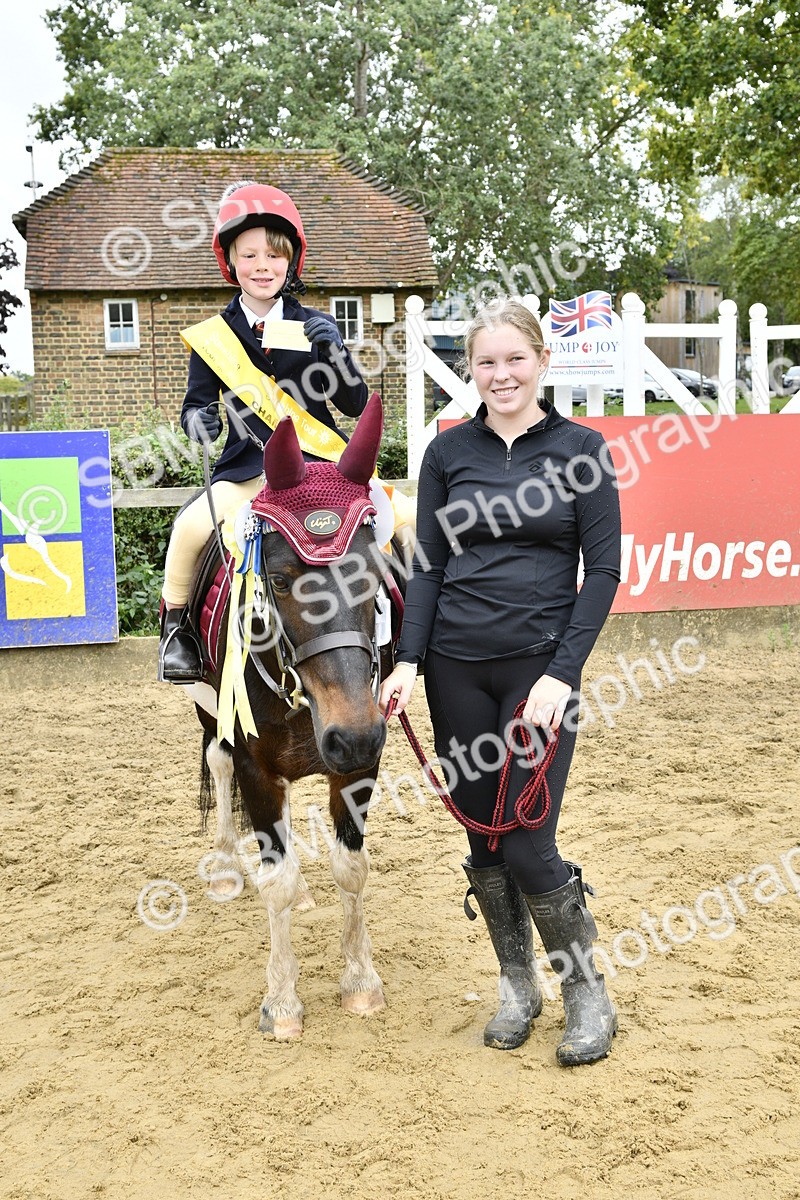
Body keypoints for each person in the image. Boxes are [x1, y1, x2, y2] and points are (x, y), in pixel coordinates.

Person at [379, 298, 622, 1066]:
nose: (501, 374)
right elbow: (429, 566)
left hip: (537, 673)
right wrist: (409, 663)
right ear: (471, 371)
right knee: (483, 838)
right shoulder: (448, 453)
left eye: (514, 359)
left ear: (542, 361)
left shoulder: (584, 448)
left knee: (528, 842)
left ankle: (586, 990)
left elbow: (604, 570)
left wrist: (561, 672)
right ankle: (518, 984)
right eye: (486, 362)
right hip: (455, 668)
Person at [159, 179, 369, 682]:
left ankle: (396, 631)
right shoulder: (213, 336)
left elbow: (354, 404)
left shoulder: (317, 324)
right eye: (249, 255)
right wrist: (198, 422)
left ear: (290, 262)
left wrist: (336, 354)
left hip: (320, 468)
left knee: (394, 519)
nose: (262, 266)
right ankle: (177, 631)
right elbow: (194, 407)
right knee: (189, 527)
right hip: (247, 471)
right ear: (230, 262)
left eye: (274, 256)